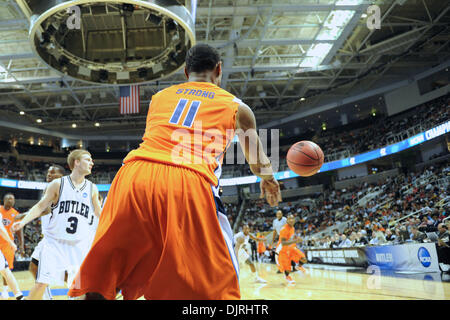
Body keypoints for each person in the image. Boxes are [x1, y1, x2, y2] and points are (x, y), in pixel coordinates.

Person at [67, 43, 282, 300]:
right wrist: (268, 178)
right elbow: (257, 162)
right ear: (219, 70)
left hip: (133, 176)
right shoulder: (237, 107)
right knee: (214, 287)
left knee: (108, 274)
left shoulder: (159, 98)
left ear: (185, 71)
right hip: (188, 181)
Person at [12, 149, 101, 300]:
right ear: (76, 162)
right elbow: (40, 206)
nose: (92, 162)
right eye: (88, 159)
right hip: (54, 243)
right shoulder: (58, 184)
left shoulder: (92, 188)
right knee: (41, 283)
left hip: (79, 245)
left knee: (78, 288)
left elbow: (101, 215)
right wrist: (23, 222)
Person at [14, 165, 65, 300]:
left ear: (61, 176)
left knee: (63, 274)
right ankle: (49, 297)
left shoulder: (59, 188)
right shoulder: (49, 188)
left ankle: (81, 292)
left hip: (56, 238)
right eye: (48, 172)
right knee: (34, 268)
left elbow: (46, 209)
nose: (49, 175)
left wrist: (25, 216)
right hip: (48, 237)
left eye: (53, 173)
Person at [0, 193, 24, 299]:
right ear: (4, 200)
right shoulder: (0, 210)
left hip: (6, 244)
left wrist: (21, 245)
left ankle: (5, 290)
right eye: (9, 198)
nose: (11, 200)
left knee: (6, 268)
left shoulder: (16, 214)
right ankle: (18, 294)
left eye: (13, 199)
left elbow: (19, 231)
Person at [278, 215, 307, 284]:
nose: (291, 220)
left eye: (292, 218)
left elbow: (290, 239)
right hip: (283, 249)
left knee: (303, 259)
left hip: (291, 247)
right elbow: (283, 243)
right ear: (287, 220)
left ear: (294, 220)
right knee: (288, 269)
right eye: (289, 219)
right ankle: (287, 276)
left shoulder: (293, 228)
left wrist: (296, 240)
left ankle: (299, 266)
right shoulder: (284, 229)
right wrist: (295, 241)